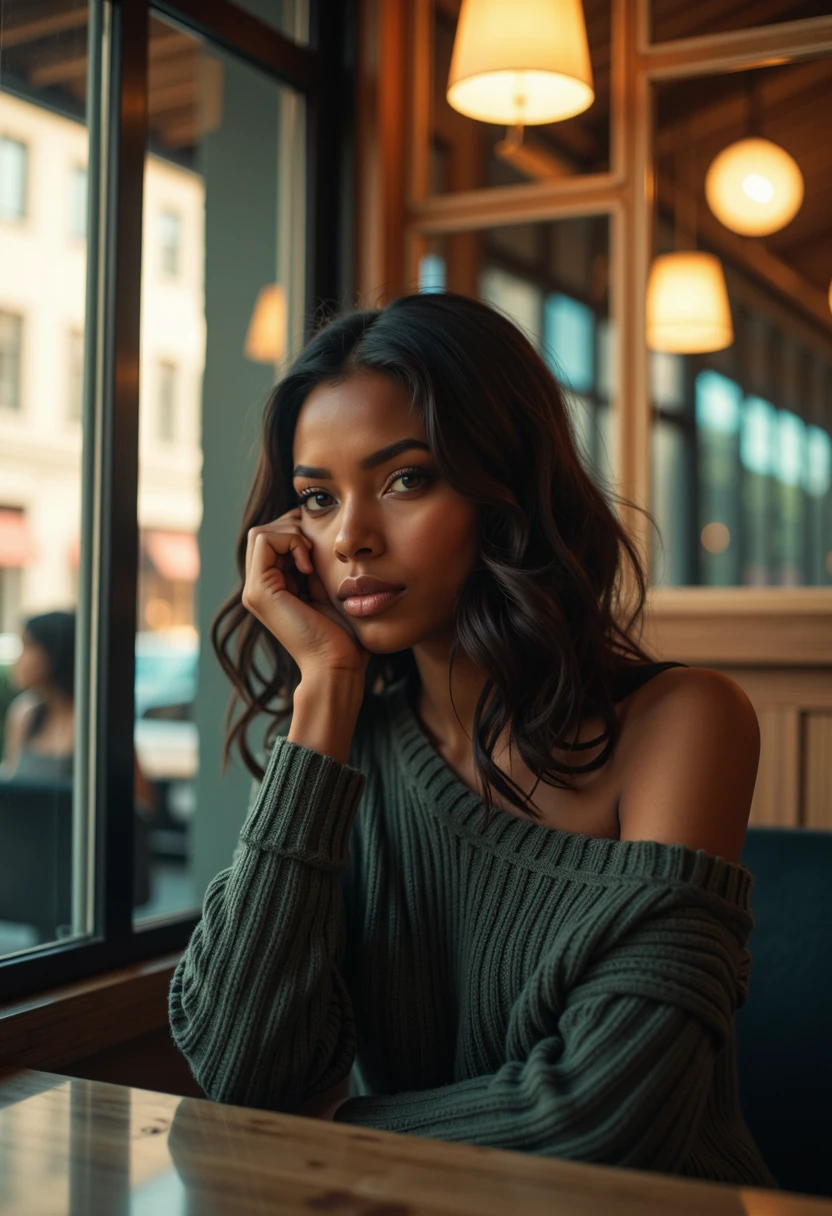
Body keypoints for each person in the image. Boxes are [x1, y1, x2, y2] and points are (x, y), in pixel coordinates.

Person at [169, 292, 777, 1187]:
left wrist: (335, 1126)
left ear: (507, 490)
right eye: (317, 499)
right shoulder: (347, 750)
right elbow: (237, 1066)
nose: (351, 538)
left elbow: (612, 1116)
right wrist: (326, 692)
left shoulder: (684, 721)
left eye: (406, 479)